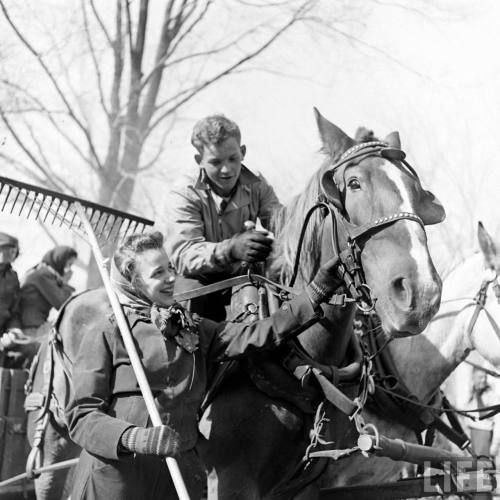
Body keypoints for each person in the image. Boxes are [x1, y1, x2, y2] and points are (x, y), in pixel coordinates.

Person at [65, 231, 342, 500]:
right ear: (133, 281)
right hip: (118, 479)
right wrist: (133, 438)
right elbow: (81, 415)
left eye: (170, 268)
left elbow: (256, 334)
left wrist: (313, 294)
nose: (171, 278)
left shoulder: (192, 327)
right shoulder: (108, 332)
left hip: (177, 478)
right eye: (157, 273)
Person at [165, 114, 282, 321]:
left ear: (243, 152)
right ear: (198, 160)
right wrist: (231, 249)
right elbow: (184, 254)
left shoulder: (256, 184)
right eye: (215, 162)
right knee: (190, 317)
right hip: (194, 278)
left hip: (238, 275)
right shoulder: (183, 193)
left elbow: (282, 223)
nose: (226, 169)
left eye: (233, 159)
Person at [20, 245, 77, 341]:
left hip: (33, 326)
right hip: (30, 330)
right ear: (60, 261)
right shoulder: (42, 275)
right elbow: (64, 303)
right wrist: (65, 282)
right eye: (69, 264)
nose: (69, 269)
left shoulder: (43, 272)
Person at [0, 232, 25, 368]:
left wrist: (14, 331)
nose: (12, 254)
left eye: (14, 251)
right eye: (8, 250)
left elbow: (14, 311)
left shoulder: (12, 277)